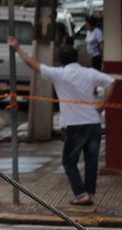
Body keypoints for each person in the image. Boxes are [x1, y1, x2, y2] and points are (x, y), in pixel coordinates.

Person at [8, 36, 115, 207]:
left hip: (75, 124)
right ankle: (90, 193)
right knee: (91, 161)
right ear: (76, 58)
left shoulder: (60, 74)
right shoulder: (89, 73)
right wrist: (101, 107)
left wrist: (18, 48)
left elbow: (34, 65)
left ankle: (81, 194)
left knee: (68, 161)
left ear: (60, 61)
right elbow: (111, 82)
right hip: (94, 123)